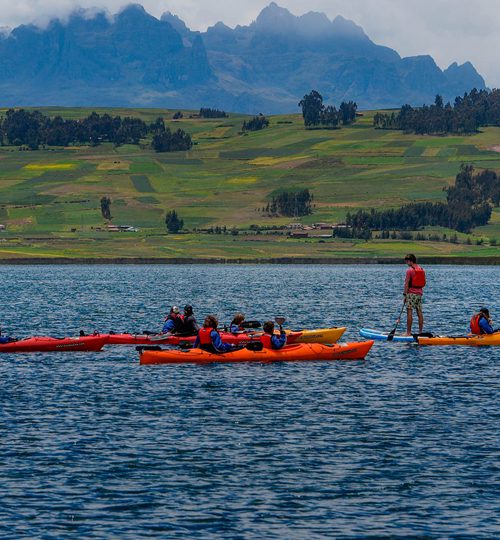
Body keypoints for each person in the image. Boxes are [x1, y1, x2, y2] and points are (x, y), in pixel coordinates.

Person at [403, 254, 426, 335]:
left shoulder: (409, 270)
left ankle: (408, 332)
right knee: (419, 312)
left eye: (407, 261)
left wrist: (405, 294)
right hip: (419, 294)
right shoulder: (421, 269)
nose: (406, 263)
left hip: (411, 294)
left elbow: (406, 283)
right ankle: (420, 332)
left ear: (410, 261)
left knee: (409, 312)